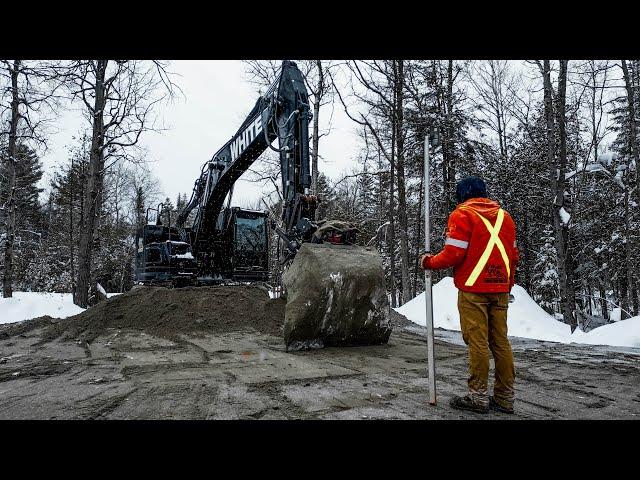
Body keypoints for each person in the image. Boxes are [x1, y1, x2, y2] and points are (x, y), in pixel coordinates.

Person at [421, 176, 519, 414]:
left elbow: (454, 253)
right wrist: (508, 284)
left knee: (477, 343)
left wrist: (429, 262)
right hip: (501, 288)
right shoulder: (505, 217)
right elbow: (513, 256)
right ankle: (505, 398)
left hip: (474, 290)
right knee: (500, 342)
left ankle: (478, 397)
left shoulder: (462, 214)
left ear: (462, 195)